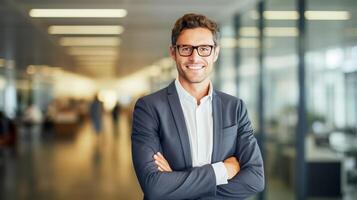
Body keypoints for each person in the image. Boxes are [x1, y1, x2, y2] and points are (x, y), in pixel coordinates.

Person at [131, 13, 264, 200]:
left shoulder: (234, 108)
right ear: (173, 52)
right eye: (186, 48)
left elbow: (255, 179)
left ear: (215, 53)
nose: (195, 57)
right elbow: (154, 187)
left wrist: (177, 187)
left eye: (204, 49)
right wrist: (223, 170)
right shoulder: (149, 108)